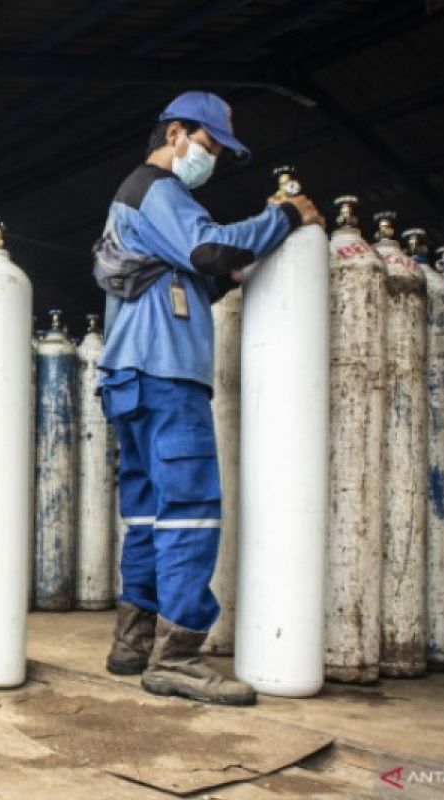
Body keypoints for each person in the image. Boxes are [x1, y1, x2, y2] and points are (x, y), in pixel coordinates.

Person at [97, 91, 324, 705]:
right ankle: (177, 657)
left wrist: (228, 275)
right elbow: (209, 249)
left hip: (128, 376)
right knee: (191, 507)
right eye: (209, 145)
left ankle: (133, 642)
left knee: (146, 510)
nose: (212, 158)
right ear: (176, 134)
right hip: (165, 373)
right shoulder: (157, 190)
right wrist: (286, 217)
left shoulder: (134, 205)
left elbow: (195, 273)